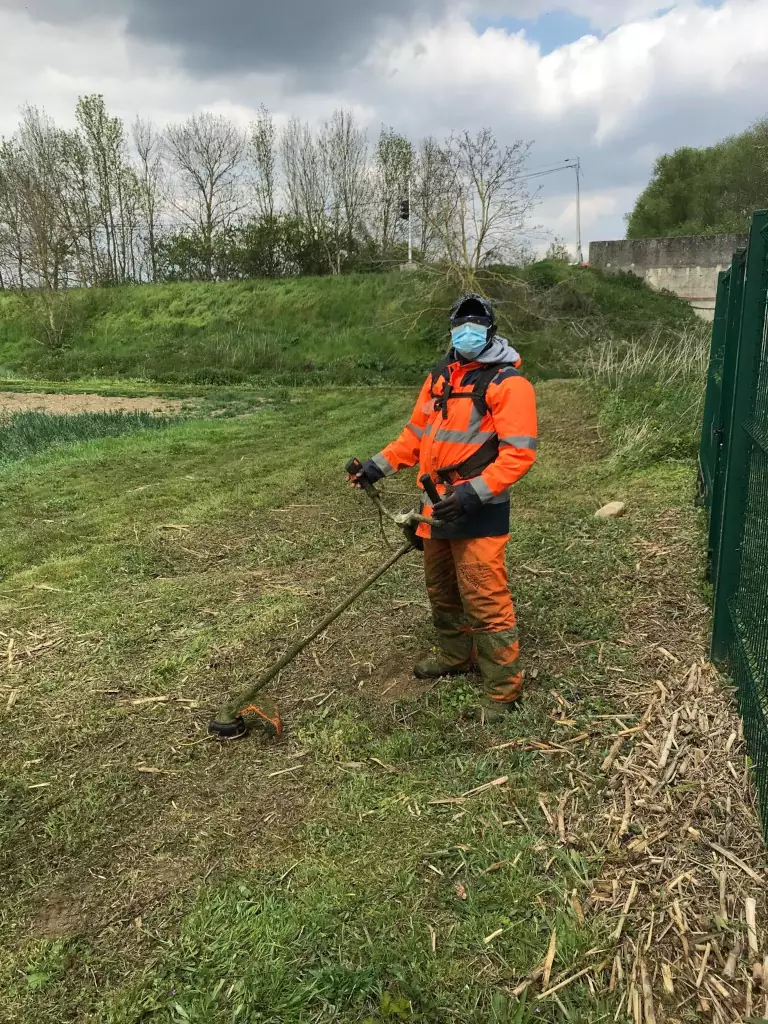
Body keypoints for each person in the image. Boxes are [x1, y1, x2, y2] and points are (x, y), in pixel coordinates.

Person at [349, 293, 538, 722]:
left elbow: (519, 454)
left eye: (476, 323)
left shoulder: (509, 384)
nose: (467, 330)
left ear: (490, 329)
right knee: (442, 590)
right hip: (434, 507)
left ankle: (504, 692)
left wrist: (474, 493)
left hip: (478, 510)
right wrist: (375, 468)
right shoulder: (440, 379)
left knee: (486, 598)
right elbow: (414, 436)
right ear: (452, 329)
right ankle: (456, 656)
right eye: (460, 323)